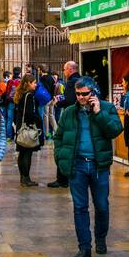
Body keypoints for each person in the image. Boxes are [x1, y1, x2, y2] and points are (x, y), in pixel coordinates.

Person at [54, 77, 123, 257]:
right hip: (77, 165)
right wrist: (61, 159)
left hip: (98, 165)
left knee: (101, 205)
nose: (81, 97)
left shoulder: (107, 108)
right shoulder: (69, 112)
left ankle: (100, 239)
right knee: (79, 207)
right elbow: (59, 137)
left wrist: (99, 113)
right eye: (78, 94)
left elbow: (115, 130)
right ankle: (84, 246)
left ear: (93, 92)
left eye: (84, 94)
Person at [47, 60, 81, 188]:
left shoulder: (72, 83)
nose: (64, 72)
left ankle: (62, 179)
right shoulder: (81, 80)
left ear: (71, 69)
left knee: (62, 148)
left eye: (65, 69)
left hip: (70, 119)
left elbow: (70, 101)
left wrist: (58, 102)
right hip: (79, 118)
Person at [12, 75, 44, 187]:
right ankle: (26, 178)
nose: (36, 84)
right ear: (28, 83)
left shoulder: (22, 94)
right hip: (27, 127)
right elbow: (29, 113)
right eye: (34, 82)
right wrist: (38, 120)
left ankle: (23, 178)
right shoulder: (29, 95)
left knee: (22, 152)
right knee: (27, 153)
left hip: (21, 126)